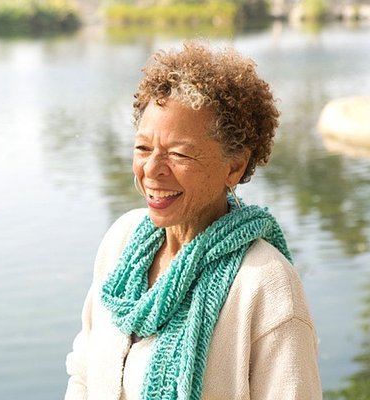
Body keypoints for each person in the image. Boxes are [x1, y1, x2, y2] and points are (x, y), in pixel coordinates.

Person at [64, 42, 322, 400]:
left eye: (179, 154)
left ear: (235, 166)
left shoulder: (265, 284)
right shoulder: (120, 243)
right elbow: (84, 373)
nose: (152, 169)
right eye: (142, 149)